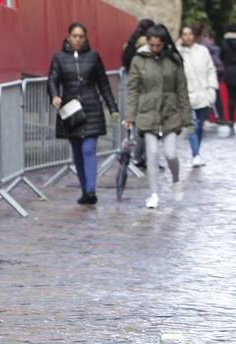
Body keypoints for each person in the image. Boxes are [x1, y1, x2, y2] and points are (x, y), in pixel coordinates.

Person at [48, 22, 117, 204]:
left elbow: (103, 83)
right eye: (74, 36)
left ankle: (91, 189)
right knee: (77, 150)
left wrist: (113, 107)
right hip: (70, 110)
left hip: (91, 107)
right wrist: (55, 96)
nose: (77, 40)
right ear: (68, 37)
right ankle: (85, 189)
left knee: (89, 149)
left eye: (81, 36)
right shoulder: (59, 58)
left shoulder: (94, 57)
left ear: (86, 38)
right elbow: (53, 80)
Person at [126, 24, 191, 209]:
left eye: (158, 45)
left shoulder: (174, 60)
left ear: (164, 43)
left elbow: (182, 90)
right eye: (152, 44)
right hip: (147, 112)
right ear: (148, 42)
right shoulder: (139, 60)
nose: (155, 48)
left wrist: (187, 119)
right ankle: (154, 193)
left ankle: (176, 179)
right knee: (152, 154)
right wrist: (130, 116)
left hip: (170, 113)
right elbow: (133, 90)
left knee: (170, 154)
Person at [178, 24, 219, 166]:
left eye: (190, 34)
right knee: (191, 125)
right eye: (184, 34)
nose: (187, 37)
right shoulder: (177, 53)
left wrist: (212, 88)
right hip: (186, 96)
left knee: (200, 126)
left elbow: (210, 69)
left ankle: (197, 151)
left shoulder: (203, 51)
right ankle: (195, 154)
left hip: (203, 94)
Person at [222, 24, 236, 132]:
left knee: (231, 97)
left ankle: (231, 119)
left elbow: (222, 57)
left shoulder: (225, 43)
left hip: (229, 72)